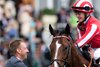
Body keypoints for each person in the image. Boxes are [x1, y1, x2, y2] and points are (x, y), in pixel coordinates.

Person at [71, 0, 100, 64]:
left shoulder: (93, 25)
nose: (77, 16)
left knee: (94, 56)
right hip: (93, 47)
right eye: (76, 13)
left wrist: (70, 47)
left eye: (79, 13)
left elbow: (82, 42)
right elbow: (80, 43)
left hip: (98, 48)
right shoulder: (79, 25)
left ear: (87, 13)